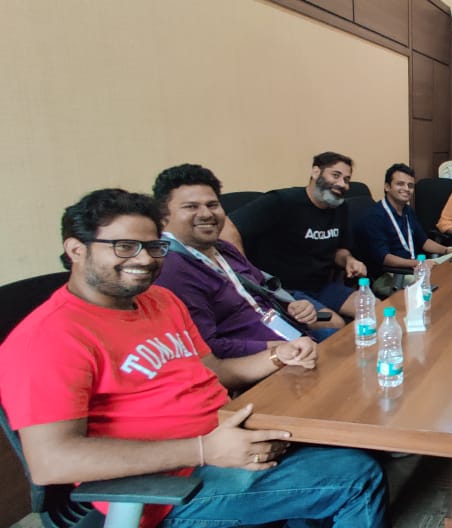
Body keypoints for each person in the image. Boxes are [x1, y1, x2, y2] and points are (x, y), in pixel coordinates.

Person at [0, 189, 390, 527]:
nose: (144, 259)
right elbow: (52, 462)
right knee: (354, 477)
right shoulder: (48, 338)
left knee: (351, 431)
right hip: (169, 486)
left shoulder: (160, 300)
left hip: (225, 440)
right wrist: (205, 450)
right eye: (124, 246)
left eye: (154, 246)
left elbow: (214, 372)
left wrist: (277, 357)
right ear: (76, 250)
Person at [152, 164, 342, 365]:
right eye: (191, 207)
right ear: (164, 216)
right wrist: (275, 349)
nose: (206, 214)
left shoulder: (223, 249)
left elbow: (265, 290)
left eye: (212, 205)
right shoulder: (173, 270)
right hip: (266, 361)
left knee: (352, 337)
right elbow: (210, 349)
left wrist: (294, 305)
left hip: (293, 335)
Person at [224, 152, 367, 318]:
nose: (342, 184)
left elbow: (339, 251)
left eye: (347, 179)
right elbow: (227, 226)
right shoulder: (281, 201)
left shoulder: (340, 207)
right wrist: (246, 274)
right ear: (315, 172)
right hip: (286, 291)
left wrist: (349, 260)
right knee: (333, 324)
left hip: (322, 286)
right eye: (336, 175)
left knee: (373, 309)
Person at [353, 162, 452, 297]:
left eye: (410, 185)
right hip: (390, 276)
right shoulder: (374, 216)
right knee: (442, 287)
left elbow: (423, 241)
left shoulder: (407, 211)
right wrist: (419, 263)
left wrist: (447, 250)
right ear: (387, 187)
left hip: (413, 269)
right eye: (400, 184)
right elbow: (385, 258)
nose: (406, 189)